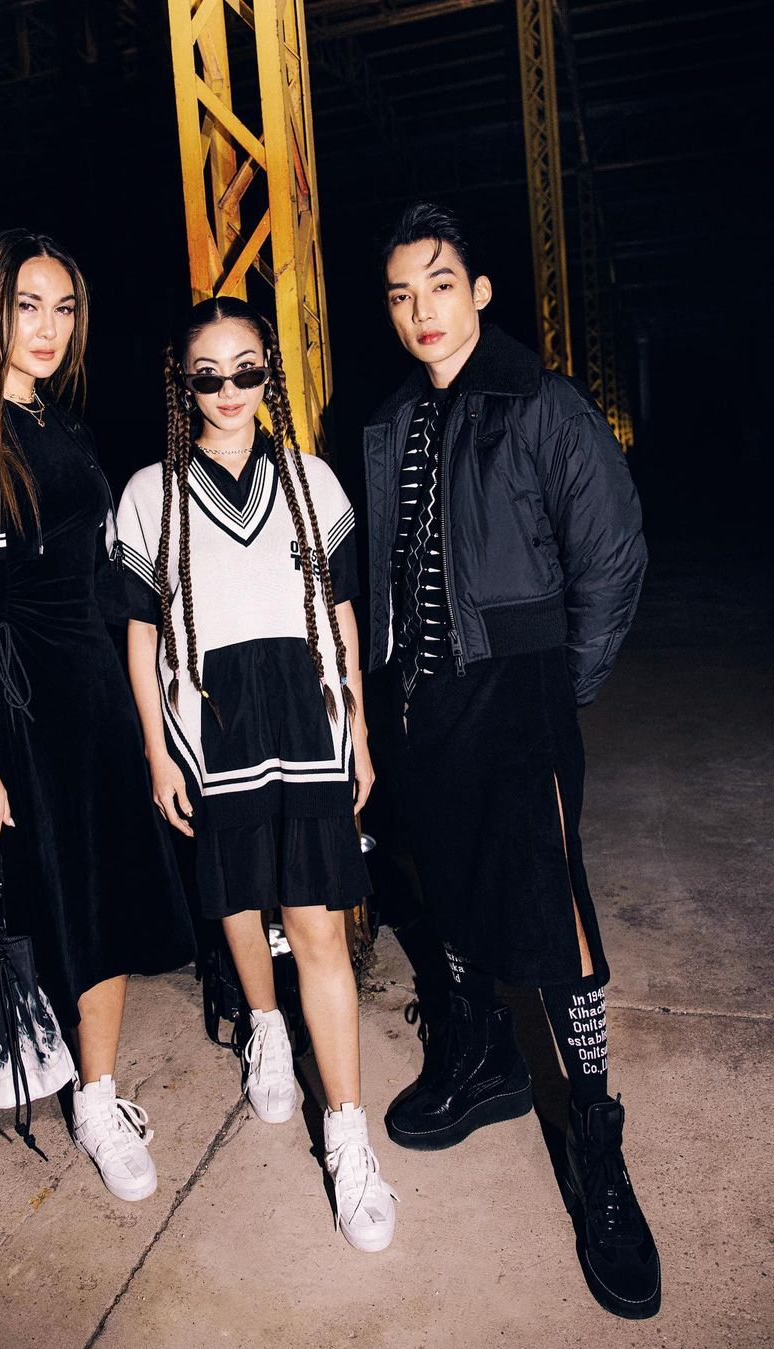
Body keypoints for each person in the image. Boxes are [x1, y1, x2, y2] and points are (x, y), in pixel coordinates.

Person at [364, 202, 660, 1318]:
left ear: (479, 292)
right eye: (401, 294)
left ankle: (598, 1148)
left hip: (519, 688)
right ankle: (485, 1055)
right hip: (424, 701)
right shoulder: (392, 418)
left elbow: (614, 553)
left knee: (552, 910)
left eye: (440, 285)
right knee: (447, 889)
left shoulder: (541, 403)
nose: (422, 311)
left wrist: (562, 685)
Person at [0, 229, 195, 1300]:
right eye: (30, 305)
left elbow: (107, 580)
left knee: (97, 908)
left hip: (90, 705)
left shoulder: (67, 432)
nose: (50, 328)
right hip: (0, 722)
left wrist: (155, 697)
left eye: (66, 308)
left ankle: (97, 1099)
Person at [117, 296, 397, 1253]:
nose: (230, 389)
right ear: (183, 382)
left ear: (268, 373)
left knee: (317, 919)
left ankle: (349, 1135)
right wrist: (156, 746)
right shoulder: (149, 494)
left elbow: (344, 609)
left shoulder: (311, 480)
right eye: (209, 374)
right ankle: (265, 1024)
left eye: (248, 369)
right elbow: (140, 633)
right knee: (238, 892)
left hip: (307, 716)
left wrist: (360, 727)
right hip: (212, 721)